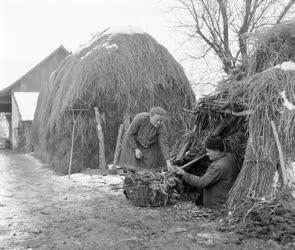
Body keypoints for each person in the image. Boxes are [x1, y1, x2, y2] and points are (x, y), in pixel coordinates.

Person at [175, 136, 239, 210]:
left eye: (209, 151)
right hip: (225, 201)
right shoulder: (230, 157)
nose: (207, 154)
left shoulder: (218, 167)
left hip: (216, 206)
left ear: (217, 151)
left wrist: (184, 174)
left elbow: (202, 182)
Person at [119, 106, 173, 171]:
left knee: (151, 165)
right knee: (132, 164)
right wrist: (136, 149)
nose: (159, 123)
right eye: (157, 120)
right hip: (134, 141)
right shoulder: (140, 118)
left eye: (161, 120)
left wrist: (168, 161)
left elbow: (164, 143)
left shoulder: (162, 127)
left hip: (150, 145)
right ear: (150, 116)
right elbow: (130, 134)